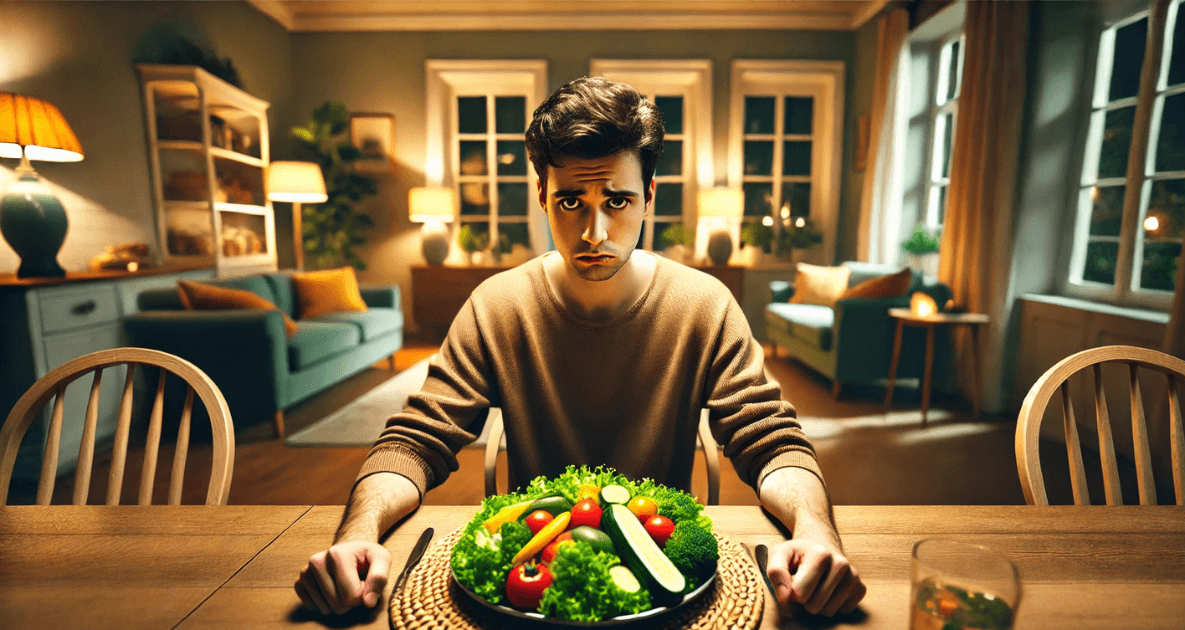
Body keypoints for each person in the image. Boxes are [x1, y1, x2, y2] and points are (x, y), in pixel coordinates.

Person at [295, 76, 866, 619]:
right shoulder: (496, 304)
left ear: (648, 196)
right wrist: (356, 536)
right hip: (535, 585)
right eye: (571, 202)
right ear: (542, 195)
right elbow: (414, 443)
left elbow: (771, 442)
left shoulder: (705, 304)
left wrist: (817, 532)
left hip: (661, 579)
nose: (595, 231)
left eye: (616, 201)